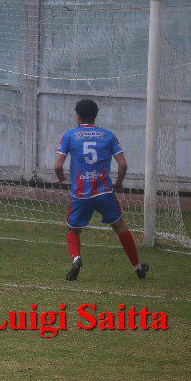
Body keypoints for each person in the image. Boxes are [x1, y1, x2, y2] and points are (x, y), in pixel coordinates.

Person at [54, 99, 149, 282]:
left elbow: (58, 166)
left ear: (78, 116)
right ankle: (138, 267)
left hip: (81, 194)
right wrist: (119, 183)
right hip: (104, 192)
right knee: (120, 228)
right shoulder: (108, 135)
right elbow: (123, 164)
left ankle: (76, 259)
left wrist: (61, 180)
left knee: (73, 230)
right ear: (95, 116)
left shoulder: (70, 135)